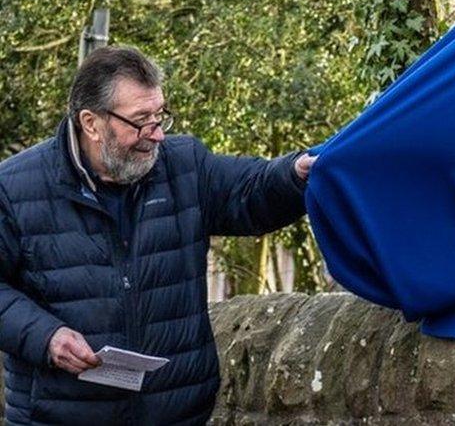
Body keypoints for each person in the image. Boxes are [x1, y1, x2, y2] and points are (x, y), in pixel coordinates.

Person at [0, 46, 316, 425]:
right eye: (140, 121)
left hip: (176, 414)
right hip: (57, 414)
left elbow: (249, 190)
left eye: (159, 116)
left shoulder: (185, 166)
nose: (156, 135)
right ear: (91, 123)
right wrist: (45, 337)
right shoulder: (14, 188)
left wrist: (295, 174)